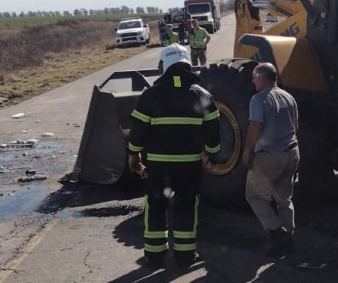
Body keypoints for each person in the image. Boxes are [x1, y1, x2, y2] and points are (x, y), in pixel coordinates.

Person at [127, 43, 222, 269]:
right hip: (189, 166)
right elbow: (214, 132)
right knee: (187, 207)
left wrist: (133, 154)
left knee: (156, 206)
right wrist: (211, 154)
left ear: (164, 65)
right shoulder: (203, 95)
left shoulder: (149, 95)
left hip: (158, 167)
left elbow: (137, 130)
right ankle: (185, 256)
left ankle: (154, 255)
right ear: (188, 64)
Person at [242, 62, 300, 256]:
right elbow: (296, 125)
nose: (252, 81)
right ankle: (288, 240)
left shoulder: (258, 100)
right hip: (292, 152)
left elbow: (255, 127)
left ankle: (278, 233)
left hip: (270, 156)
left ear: (261, 78)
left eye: (254, 77)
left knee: (254, 196)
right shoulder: (289, 97)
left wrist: (248, 150)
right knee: (284, 198)